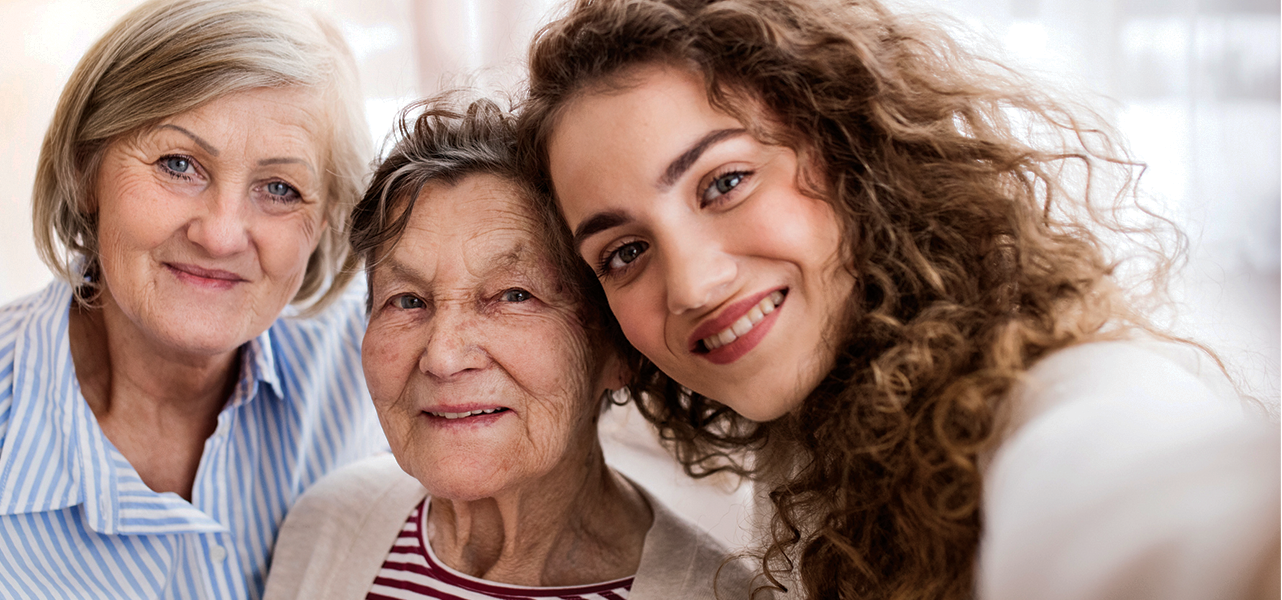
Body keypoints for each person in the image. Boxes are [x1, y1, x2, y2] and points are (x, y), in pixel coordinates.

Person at [518, 0, 1281, 598]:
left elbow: (1128, 487)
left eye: (724, 183)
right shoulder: (813, 409)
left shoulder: (1055, 395)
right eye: (625, 252)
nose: (692, 284)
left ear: (850, 148)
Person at [0, 0, 384, 597]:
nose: (221, 234)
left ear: (329, 216)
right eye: (178, 165)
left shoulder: (375, 354)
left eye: (280, 188)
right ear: (84, 168)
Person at [263, 96, 769, 600]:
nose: (442, 356)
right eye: (407, 300)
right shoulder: (325, 524)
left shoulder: (718, 593)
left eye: (514, 295)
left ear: (619, 349)